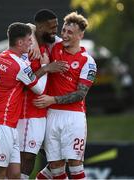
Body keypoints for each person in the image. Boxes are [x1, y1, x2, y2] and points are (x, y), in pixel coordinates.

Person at [0, 22, 52, 179]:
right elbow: (39, 89)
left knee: (14, 174)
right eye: (29, 40)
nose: (31, 42)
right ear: (20, 43)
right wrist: (45, 67)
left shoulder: (0, 57)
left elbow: (28, 29)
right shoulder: (19, 65)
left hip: (7, 125)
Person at [34, 11, 97, 179]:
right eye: (64, 31)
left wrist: (52, 99)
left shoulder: (87, 61)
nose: (65, 35)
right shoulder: (55, 45)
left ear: (80, 35)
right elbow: (32, 28)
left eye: (70, 32)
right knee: (55, 166)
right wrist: (34, 43)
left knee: (75, 165)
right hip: (52, 114)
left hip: (73, 117)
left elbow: (80, 94)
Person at [16, 9, 68, 179]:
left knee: (59, 154)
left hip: (46, 112)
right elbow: (23, 83)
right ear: (39, 27)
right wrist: (46, 68)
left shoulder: (49, 43)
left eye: (56, 26)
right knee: (28, 156)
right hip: (28, 112)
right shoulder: (28, 49)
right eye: (50, 27)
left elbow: (29, 26)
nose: (55, 30)